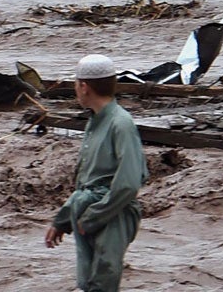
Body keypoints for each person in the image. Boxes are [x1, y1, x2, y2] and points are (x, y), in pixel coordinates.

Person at [43, 53, 148, 292]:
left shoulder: (120, 123)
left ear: (84, 86)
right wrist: (63, 220)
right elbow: (88, 182)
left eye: (76, 85)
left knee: (103, 279)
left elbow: (128, 183)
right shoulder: (96, 120)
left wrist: (95, 216)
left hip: (112, 212)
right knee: (88, 282)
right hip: (92, 210)